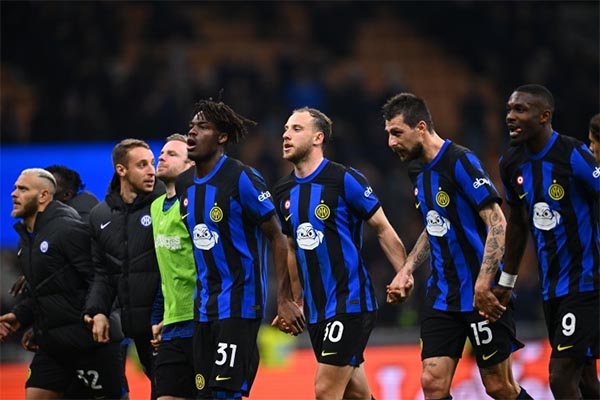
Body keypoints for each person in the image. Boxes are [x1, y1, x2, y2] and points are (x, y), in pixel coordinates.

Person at [382, 93, 531, 400]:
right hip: (442, 297)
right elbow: (436, 224)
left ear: (420, 127)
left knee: (499, 386)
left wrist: (483, 282)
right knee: (432, 383)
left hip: (481, 296)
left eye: (397, 133)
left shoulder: (460, 161)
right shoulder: (416, 170)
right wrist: (406, 269)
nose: (391, 142)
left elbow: (498, 223)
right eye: (388, 134)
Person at [272, 107, 409, 400]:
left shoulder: (344, 179)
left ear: (318, 137)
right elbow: (292, 248)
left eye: (296, 129)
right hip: (317, 310)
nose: (286, 135)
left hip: (351, 301)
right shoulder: (282, 192)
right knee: (354, 394)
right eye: (285, 129)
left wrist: (404, 273)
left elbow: (382, 228)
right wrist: (296, 301)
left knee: (325, 390)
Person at [178, 98, 304, 399]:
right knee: (204, 395)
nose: (192, 132)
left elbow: (278, 236)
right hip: (203, 308)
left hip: (239, 305)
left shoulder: (241, 178)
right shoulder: (183, 185)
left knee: (225, 392)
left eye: (203, 127)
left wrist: (284, 298)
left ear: (222, 137)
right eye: (191, 126)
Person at [491, 84, 599, 399]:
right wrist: (507, 280)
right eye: (509, 110)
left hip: (586, 283)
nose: (510, 116)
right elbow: (517, 224)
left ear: (544, 116)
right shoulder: (511, 163)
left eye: (520, 110)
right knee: (586, 381)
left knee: (560, 376)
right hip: (552, 288)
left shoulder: (573, 154)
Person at [0, 168, 122, 399]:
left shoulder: (68, 229)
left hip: (88, 342)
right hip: (53, 345)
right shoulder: (27, 240)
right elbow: (46, 287)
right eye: (15, 188)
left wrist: (99, 313)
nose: (14, 194)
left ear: (44, 195)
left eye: (23, 189)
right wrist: (20, 316)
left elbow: (101, 276)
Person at [83, 138, 165, 399]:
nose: (151, 171)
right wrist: (97, 310)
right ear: (121, 170)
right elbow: (102, 272)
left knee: (171, 392)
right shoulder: (100, 216)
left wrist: (169, 314)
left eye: (152, 163)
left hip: (166, 325)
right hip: (134, 327)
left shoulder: (166, 204)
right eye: (142, 165)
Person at [149, 134, 196, 400]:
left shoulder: (195, 205)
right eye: (162, 153)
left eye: (172, 154)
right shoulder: (156, 207)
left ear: (190, 166)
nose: (162, 157)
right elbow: (164, 268)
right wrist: (159, 316)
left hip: (201, 319)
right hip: (172, 324)